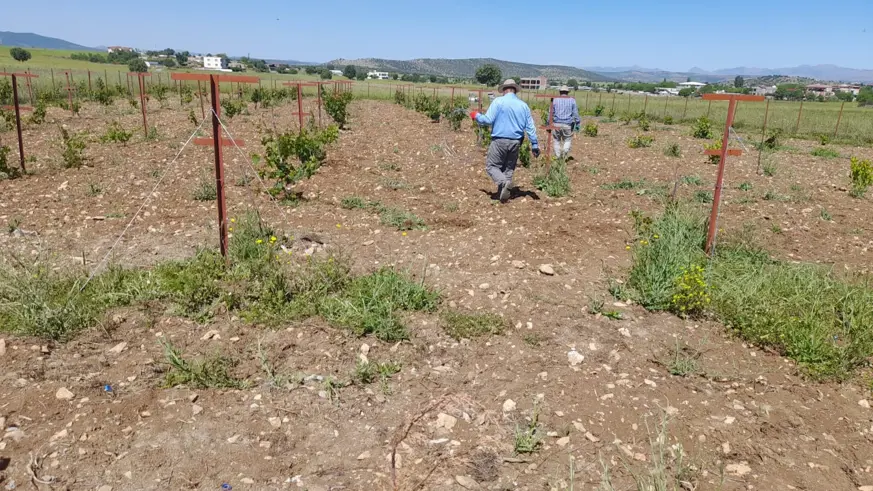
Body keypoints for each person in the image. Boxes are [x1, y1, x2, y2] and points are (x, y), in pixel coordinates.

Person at [470, 79, 540, 203]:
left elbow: (488, 120)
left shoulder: (498, 102)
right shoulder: (523, 105)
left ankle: (503, 183)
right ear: (514, 90)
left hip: (499, 140)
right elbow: (530, 126)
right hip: (516, 142)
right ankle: (502, 195)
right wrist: (534, 144)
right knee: (508, 169)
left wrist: (476, 115)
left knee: (492, 166)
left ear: (504, 90)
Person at [551, 85, 581, 159]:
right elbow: (575, 113)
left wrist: (548, 123)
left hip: (556, 124)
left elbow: (551, 112)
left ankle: (558, 157)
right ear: (567, 92)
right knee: (567, 139)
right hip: (567, 124)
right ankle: (564, 154)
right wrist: (578, 122)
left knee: (556, 140)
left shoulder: (555, 100)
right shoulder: (572, 100)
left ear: (560, 92)